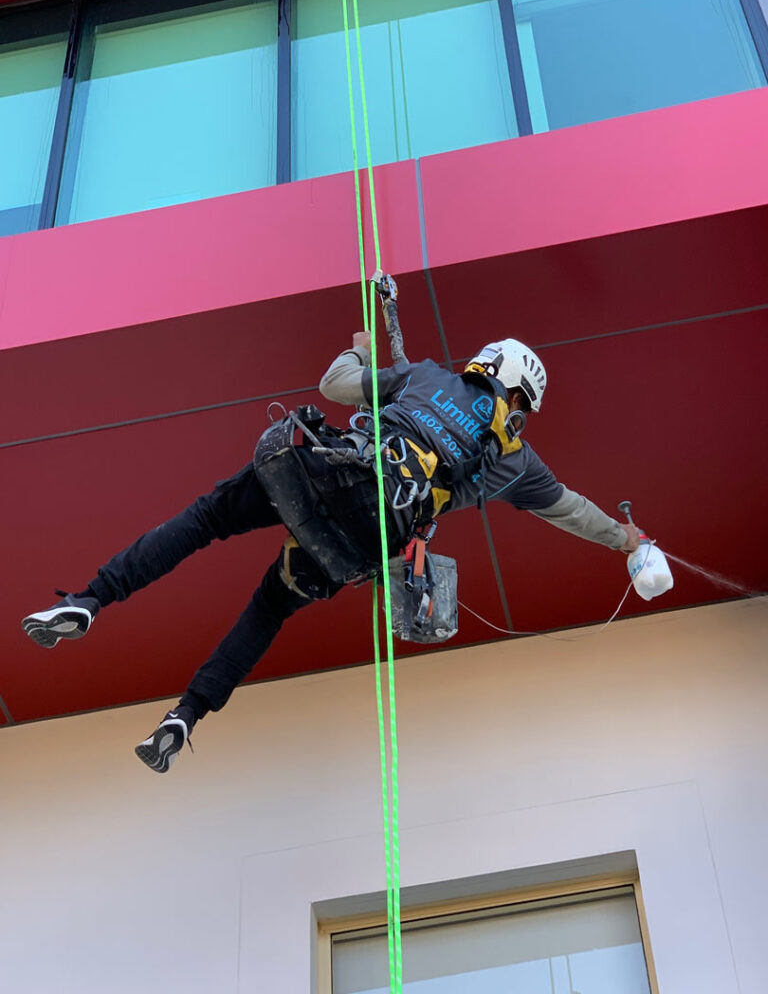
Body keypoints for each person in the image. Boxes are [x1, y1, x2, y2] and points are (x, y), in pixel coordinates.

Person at [21, 326, 641, 773]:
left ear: (486, 364)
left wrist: (361, 350)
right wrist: (626, 540)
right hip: (363, 544)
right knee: (267, 608)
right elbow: (574, 511)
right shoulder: (512, 459)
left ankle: (91, 600)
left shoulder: (426, 376)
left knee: (207, 518)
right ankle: (186, 714)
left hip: (324, 474)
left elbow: (335, 383)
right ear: (523, 400)